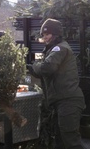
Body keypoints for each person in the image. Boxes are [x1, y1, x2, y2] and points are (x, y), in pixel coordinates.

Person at [28, 18, 85, 149]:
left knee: (71, 142)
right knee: (60, 142)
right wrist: (31, 68)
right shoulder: (52, 50)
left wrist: (34, 66)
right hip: (61, 101)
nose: (45, 38)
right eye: (43, 35)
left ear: (56, 34)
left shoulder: (60, 48)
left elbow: (47, 68)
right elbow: (42, 71)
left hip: (68, 101)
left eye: (47, 34)